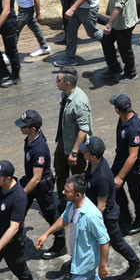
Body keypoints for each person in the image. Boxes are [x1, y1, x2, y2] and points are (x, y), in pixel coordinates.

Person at [80, 137, 140, 280]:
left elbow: (101, 205)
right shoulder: (93, 165)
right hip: (100, 213)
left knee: (118, 243)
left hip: (106, 217)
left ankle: (136, 265)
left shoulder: (102, 177)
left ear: (93, 156)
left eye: (86, 151)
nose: (83, 152)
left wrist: (90, 223)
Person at [34, 175, 110, 280]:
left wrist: (103, 265)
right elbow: (64, 219)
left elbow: (104, 241)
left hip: (84, 262)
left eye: (67, 191)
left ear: (78, 195)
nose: (63, 192)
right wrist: (46, 234)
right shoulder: (72, 203)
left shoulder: (91, 216)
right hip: (78, 257)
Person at [12, 110, 67, 261]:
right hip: (29, 180)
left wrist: (22, 195)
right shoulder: (30, 138)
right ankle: (15, 240)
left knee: (51, 215)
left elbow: (37, 178)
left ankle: (60, 244)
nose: (20, 128)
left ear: (33, 129)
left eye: (24, 126)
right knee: (18, 211)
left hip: (40, 186)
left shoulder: (39, 149)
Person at [108, 94, 140, 236]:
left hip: (135, 168)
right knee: (114, 187)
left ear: (117, 110)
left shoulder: (134, 129)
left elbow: (133, 156)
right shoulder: (123, 119)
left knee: (136, 194)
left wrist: (120, 177)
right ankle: (124, 217)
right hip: (121, 160)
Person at [53, 69, 93, 213]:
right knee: (60, 172)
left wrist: (75, 152)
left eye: (58, 80)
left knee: (78, 179)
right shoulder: (65, 95)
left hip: (76, 147)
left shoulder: (79, 101)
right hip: (64, 141)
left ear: (67, 83)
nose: (56, 82)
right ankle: (63, 202)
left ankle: (79, 207)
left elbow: (84, 129)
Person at [100, 0, 139, 81]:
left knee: (124, 48)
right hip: (118, 20)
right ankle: (114, 68)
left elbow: (118, 7)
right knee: (106, 41)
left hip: (123, 23)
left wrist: (108, 24)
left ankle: (131, 72)